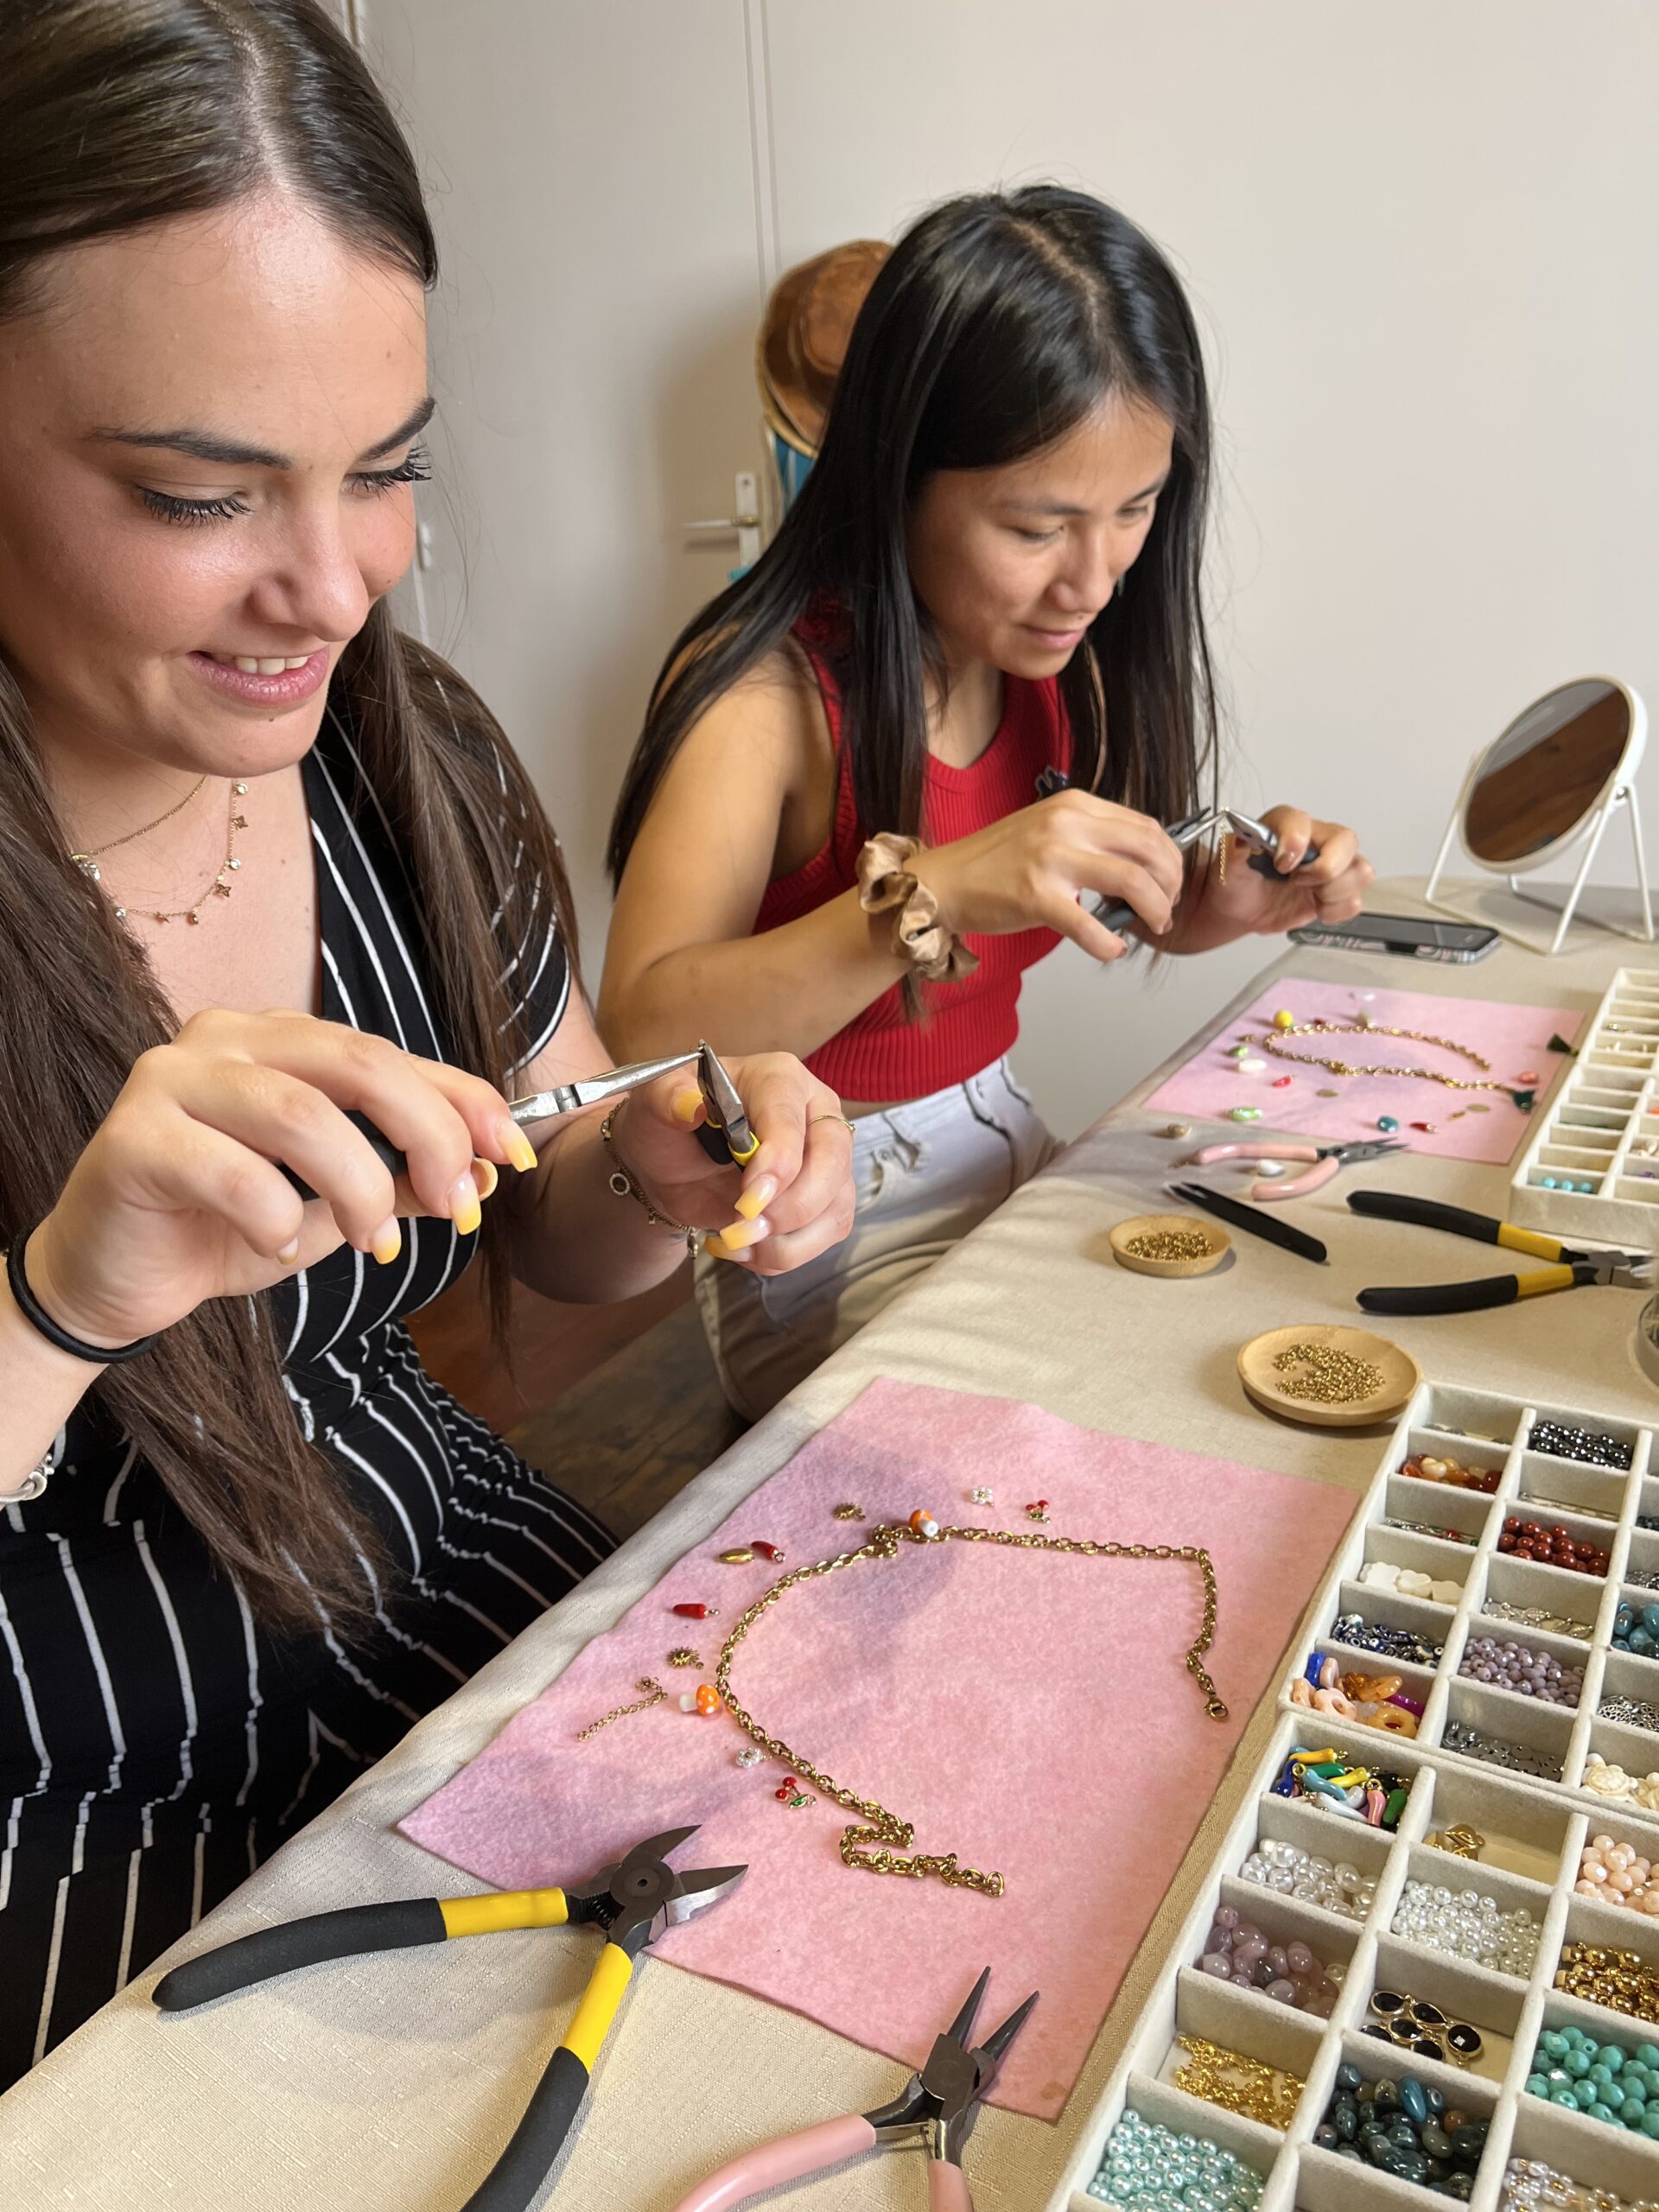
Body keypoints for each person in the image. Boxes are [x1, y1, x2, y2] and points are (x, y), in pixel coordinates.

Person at [0, 0, 853, 2089]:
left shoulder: (405, 752)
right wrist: (64, 1295)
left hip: (435, 1582)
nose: (332, 588)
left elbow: (552, 1233)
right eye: (202, 492)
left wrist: (648, 1177)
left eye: (387, 471)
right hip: (78, 1801)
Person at [601, 186, 1376, 1421]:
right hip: (822, 1205)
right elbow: (643, 1025)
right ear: (897, 477)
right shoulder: (769, 696)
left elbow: (1090, 901)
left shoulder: (1028, 657)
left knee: (1255, 1323)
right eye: (1038, 525)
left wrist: (1222, 898)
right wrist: (937, 887)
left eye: (1137, 508)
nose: (1097, 575)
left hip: (1001, 1138)